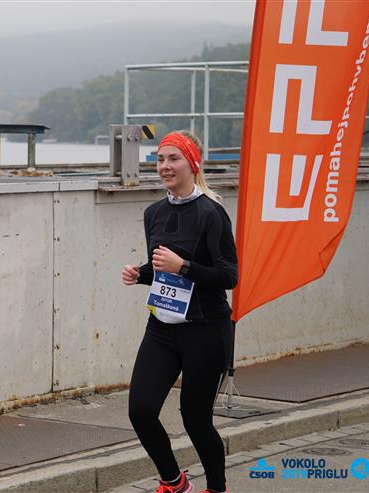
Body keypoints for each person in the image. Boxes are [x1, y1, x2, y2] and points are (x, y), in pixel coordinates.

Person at [121, 130, 237, 493]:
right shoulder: (153, 213)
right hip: (162, 328)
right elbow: (162, 269)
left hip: (207, 330)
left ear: (193, 164)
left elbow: (228, 276)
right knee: (141, 411)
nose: (165, 166)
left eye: (174, 159)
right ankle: (174, 482)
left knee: (196, 420)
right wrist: (140, 274)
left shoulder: (211, 213)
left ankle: (216, 488)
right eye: (160, 159)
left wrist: (183, 266)